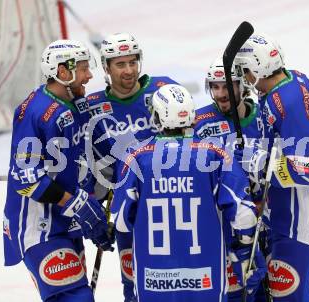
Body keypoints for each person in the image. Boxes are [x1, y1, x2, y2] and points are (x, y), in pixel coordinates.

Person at [111, 83, 258, 302]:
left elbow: (120, 221)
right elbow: (245, 218)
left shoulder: (136, 157)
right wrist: (245, 248)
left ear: (158, 116)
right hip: (206, 281)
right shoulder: (215, 154)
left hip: (154, 283)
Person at [237, 33, 309, 301]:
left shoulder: (288, 103)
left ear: (258, 68)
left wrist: (259, 162)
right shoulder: (295, 78)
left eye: (245, 70)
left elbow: (306, 170)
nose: (244, 76)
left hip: (301, 224)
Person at [3, 39, 114, 302]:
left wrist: (116, 186)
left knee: (79, 294)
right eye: (84, 69)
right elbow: (26, 180)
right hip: (40, 229)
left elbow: (103, 150)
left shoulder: (77, 102)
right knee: (75, 298)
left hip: (67, 223)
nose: (89, 76)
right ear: (63, 72)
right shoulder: (34, 112)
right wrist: (76, 204)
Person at [84, 32, 179, 302]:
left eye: (132, 62)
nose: (128, 70)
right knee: (135, 287)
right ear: (106, 67)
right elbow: (84, 161)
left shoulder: (164, 90)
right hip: (129, 210)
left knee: (178, 280)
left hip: (171, 203)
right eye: (120, 64)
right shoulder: (92, 108)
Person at [195, 57, 267, 301]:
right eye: (215, 86)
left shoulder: (262, 117)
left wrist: (264, 203)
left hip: (265, 222)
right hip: (225, 228)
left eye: (227, 85)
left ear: (242, 86)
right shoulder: (199, 122)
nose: (220, 93)